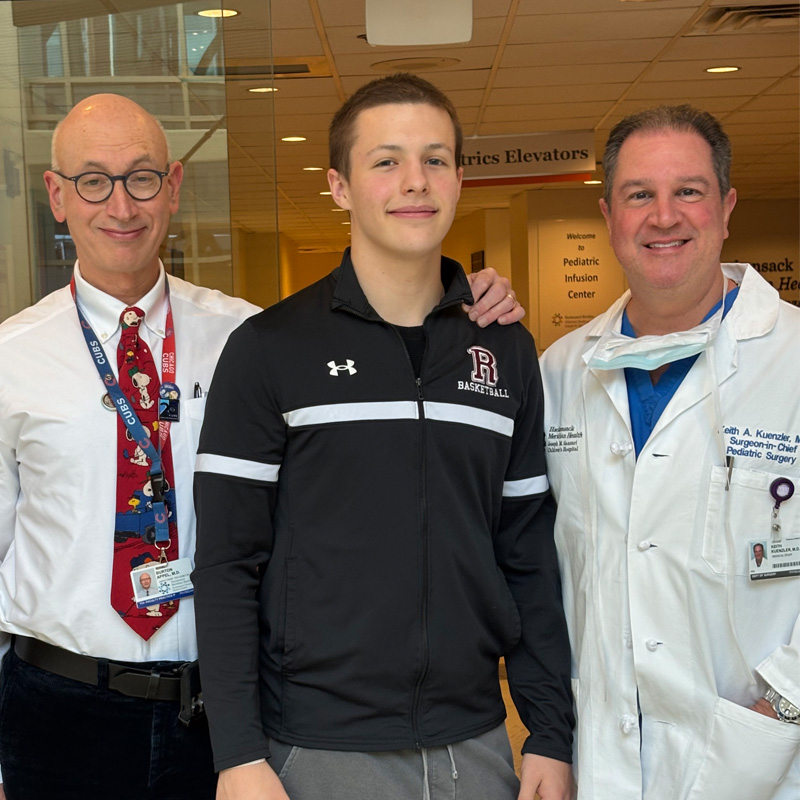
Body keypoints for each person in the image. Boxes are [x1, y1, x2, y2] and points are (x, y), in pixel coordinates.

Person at [0, 93, 522, 800]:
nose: (120, 206)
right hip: (57, 704)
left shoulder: (251, 339)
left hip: (221, 710)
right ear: (57, 196)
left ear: (175, 187)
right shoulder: (10, 359)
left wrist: (469, 299)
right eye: (93, 181)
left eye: (143, 178)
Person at [193, 73, 573, 800]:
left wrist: (550, 731)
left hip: (479, 747)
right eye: (385, 160)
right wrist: (237, 754)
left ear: (461, 179)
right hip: (314, 751)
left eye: (435, 159)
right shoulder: (269, 350)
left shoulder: (506, 352)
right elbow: (227, 564)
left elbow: (526, 553)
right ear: (339, 186)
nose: (415, 182)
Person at [539, 104, 800, 800]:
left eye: (688, 191)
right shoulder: (561, 372)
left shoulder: (793, 357)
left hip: (764, 761)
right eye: (639, 195)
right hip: (603, 757)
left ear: (726, 207)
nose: (664, 216)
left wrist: (784, 706)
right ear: (609, 214)